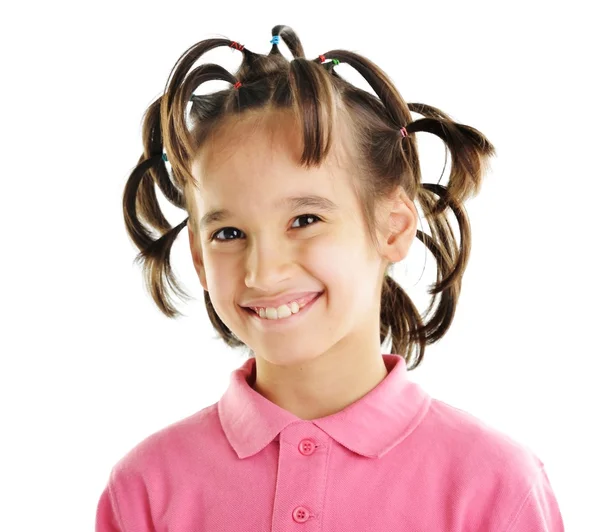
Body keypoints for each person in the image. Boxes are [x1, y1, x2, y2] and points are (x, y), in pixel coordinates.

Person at [96, 24, 564, 531]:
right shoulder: (144, 489)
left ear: (393, 227)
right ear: (199, 256)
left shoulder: (495, 488)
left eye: (304, 220)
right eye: (229, 232)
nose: (263, 271)